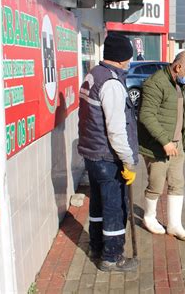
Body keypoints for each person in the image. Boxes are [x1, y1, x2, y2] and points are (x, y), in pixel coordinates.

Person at [77, 32, 139, 272]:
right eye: (129, 57)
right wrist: (128, 160)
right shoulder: (111, 83)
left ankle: (96, 246)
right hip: (107, 156)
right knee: (115, 206)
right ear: (122, 57)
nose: (130, 62)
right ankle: (112, 257)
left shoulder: (94, 74)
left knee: (98, 205)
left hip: (91, 154)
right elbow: (116, 129)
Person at [138, 50, 185, 241]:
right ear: (178, 67)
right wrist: (164, 141)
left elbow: (178, 108)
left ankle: (174, 225)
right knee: (156, 185)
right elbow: (146, 115)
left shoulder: (177, 84)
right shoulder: (155, 83)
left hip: (176, 145)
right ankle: (149, 218)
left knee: (177, 184)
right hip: (158, 147)